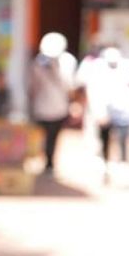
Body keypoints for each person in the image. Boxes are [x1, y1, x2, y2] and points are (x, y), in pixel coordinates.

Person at [85, 47, 129, 174]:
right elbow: (93, 91)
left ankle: (122, 162)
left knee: (123, 137)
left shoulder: (128, 66)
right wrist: (99, 111)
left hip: (124, 109)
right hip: (105, 109)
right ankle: (105, 161)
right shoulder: (97, 69)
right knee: (104, 138)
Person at [29, 32, 77, 174]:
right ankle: (45, 159)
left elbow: (69, 85)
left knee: (53, 136)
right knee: (43, 135)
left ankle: (49, 162)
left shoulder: (67, 61)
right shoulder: (38, 62)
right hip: (42, 105)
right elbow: (33, 85)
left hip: (58, 106)